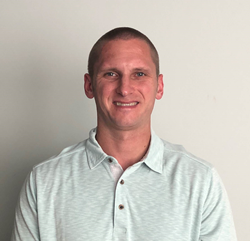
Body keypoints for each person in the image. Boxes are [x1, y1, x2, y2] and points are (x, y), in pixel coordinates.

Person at [11, 27, 237, 241]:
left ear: (159, 86)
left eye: (139, 73)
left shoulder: (200, 180)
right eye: (111, 74)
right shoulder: (43, 181)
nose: (125, 88)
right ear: (89, 85)